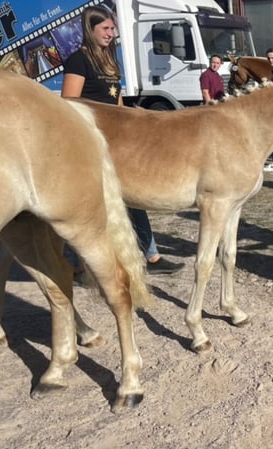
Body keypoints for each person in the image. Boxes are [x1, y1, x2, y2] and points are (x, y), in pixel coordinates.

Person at [61, 5, 184, 276]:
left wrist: (132, 121)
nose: (110, 33)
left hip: (116, 143)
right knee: (86, 205)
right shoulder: (78, 60)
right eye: (105, 28)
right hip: (90, 142)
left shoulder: (110, 59)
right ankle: (76, 264)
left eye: (112, 28)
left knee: (132, 196)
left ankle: (151, 256)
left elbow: (116, 101)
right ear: (90, 29)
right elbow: (69, 104)